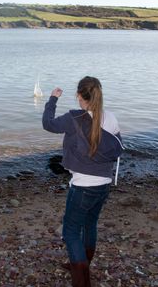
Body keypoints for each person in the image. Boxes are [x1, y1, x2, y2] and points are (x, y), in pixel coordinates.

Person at [42, 76, 123, 287]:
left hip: (83, 186)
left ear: (79, 96)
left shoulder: (73, 118)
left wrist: (52, 99)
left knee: (70, 231)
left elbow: (48, 124)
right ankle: (82, 264)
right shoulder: (111, 118)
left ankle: (81, 278)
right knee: (89, 224)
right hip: (104, 184)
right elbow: (116, 147)